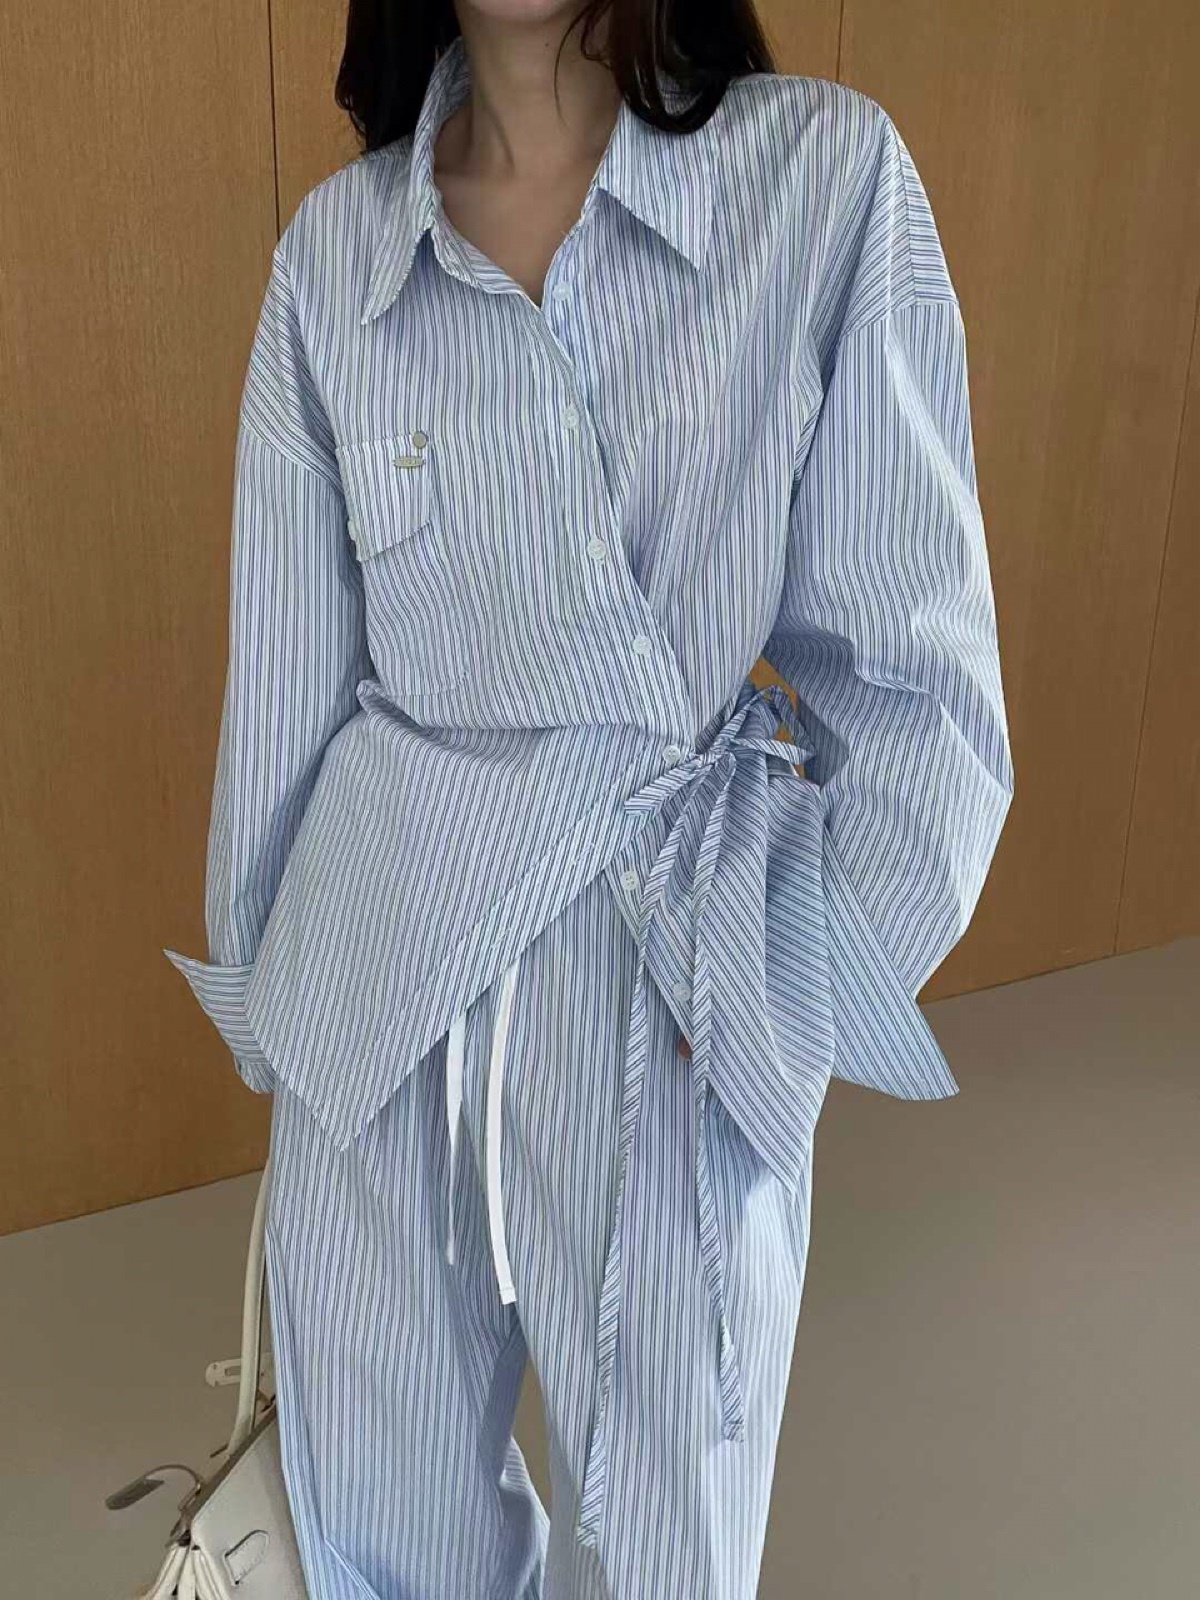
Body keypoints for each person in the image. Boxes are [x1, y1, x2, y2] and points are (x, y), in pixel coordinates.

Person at [163, 1, 1015, 1595]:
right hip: (384, 978)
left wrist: (789, 985)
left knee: (670, 1540)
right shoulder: (336, 258)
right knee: (376, 1536)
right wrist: (284, 1012)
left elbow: (910, 679)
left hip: (669, 964)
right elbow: (285, 689)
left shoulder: (821, 181)